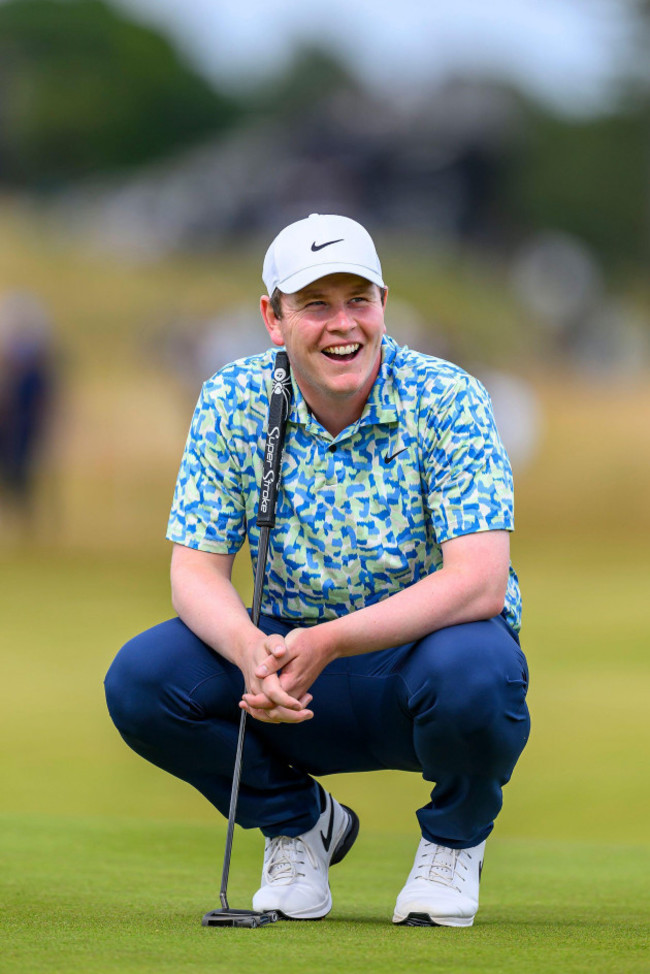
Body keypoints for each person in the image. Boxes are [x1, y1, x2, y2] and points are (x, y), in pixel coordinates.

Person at [105, 213, 530, 927]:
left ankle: (454, 844)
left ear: (384, 305)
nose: (343, 325)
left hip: (423, 665)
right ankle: (298, 825)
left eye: (358, 300)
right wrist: (249, 653)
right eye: (316, 305)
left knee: (479, 670)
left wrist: (330, 640)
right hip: (287, 669)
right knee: (143, 680)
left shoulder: (449, 397)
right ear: (273, 318)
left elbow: (480, 579)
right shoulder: (233, 399)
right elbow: (195, 571)